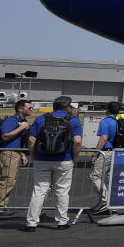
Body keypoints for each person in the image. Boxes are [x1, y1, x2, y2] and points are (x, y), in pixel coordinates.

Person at [23, 94, 83, 231]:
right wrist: (74, 158)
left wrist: (33, 156)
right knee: (62, 191)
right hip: (64, 159)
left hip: (42, 158)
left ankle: (32, 222)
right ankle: (62, 221)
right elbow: (77, 142)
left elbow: (31, 140)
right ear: (67, 107)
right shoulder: (73, 121)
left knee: (39, 191)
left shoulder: (41, 119)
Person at [0, 99, 33, 216]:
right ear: (20, 109)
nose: (31, 110)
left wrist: (23, 154)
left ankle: (3, 204)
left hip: (16, 152)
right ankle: (0, 206)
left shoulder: (21, 121)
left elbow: (19, 139)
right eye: (29, 108)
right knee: (6, 179)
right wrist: (21, 127)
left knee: (11, 180)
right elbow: (5, 136)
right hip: (8, 153)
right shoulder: (12, 121)